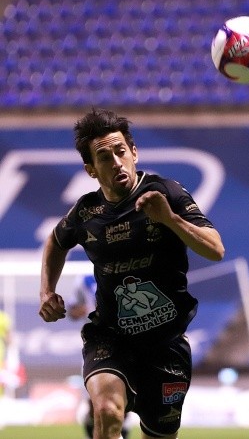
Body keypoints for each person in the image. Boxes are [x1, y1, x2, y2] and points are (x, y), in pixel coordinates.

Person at [39, 108, 225, 439]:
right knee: (107, 412)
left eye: (121, 151)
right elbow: (55, 241)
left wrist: (170, 219)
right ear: (91, 169)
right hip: (110, 339)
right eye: (104, 157)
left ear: (134, 152)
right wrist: (46, 291)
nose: (116, 162)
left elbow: (215, 249)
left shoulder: (166, 192)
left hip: (167, 344)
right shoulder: (86, 212)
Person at [67, 274, 132, 439]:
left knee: (123, 403)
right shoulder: (84, 280)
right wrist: (88, 310)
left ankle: (121, 432)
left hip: (129, 342)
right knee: (96, 403)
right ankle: (92, 430)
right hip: (97, 344)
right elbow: (72, 310)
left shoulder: (128, 272)